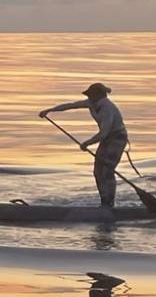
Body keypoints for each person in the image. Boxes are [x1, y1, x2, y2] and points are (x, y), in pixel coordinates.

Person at [40, 82, 129, 213]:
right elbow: (71, 105)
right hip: (106, 139)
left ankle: (109, 204)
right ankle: (104, 202)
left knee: (107, 171)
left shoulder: (107, 108)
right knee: (97, 171)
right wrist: (50, 110)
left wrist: (87, 143)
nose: (89, 98)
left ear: (98, 95)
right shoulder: (91, 103)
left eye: (91, 95)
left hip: (117, 138)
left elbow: (104, 133)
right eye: (89, 96)